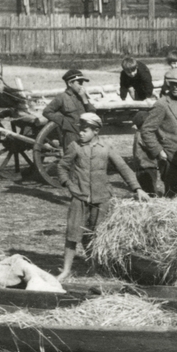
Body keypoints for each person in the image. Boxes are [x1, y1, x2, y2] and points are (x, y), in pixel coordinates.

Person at [59, 112, 148, 278]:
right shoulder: (75, 146)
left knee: (97, 234)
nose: (81, 133)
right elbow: (62, 167)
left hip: (101, 198)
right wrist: (69, 185)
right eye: (80, 129)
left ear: (96, 131)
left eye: (85, 130)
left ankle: (97, 268)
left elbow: (123, 168)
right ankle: (66, 270)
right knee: (73, 234)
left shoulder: (106, 148)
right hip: (79, 197)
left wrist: (137, 188)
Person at [133, 69, 177, 196]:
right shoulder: (162, 104)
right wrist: (158, 151)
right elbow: (147, 130)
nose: (174, 87)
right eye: (172, 83)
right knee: (174, 196)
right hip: (170, 159)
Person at [43, 68, 96, 148]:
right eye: (79, 83)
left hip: (84, 133)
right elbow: (47, 112)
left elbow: (92, 113)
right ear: (70, 83)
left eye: (82, 83)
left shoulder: (82, 96)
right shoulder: (62, 97)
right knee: (72, 156)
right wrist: (64, 122)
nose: (81, 86)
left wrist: (85, 99)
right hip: (70, 135)